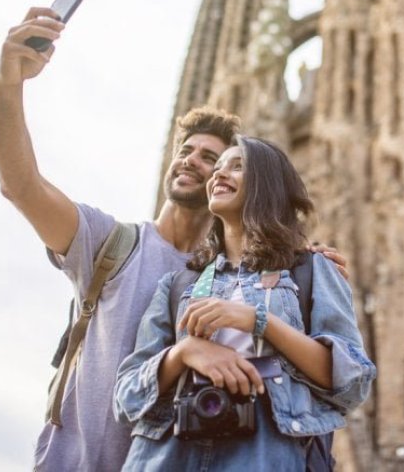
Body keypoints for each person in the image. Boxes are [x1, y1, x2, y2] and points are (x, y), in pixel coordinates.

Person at [0, 6, 346, 471]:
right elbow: (21, 187)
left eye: (213, 159)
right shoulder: (112, 245)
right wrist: (8, 83)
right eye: (187, 151)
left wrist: (304, 265)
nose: (193, 162)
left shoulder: (239, 279)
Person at [114, 136, 376, 471]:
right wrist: (185, 352)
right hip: (168, 455)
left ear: (267, 185)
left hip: (265, 453)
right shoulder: (179, 284)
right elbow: (125, 398)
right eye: (218, 168)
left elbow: (351, 381)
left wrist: (259, 320)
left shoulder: (311, 270)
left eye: (238, 167)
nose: (219, 175)